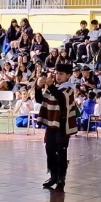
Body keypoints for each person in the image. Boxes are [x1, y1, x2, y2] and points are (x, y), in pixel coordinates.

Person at [36, 62, 77, 191]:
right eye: (57, 73)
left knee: (61, 151)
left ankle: (61, 178)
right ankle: (53, 175)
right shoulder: (54, 87)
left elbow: (61, 99)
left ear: (68, 76)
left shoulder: (69, 89)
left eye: (61, 74)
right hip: (52, 124)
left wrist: (50, 85)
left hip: (62, 126)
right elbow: (40, 100)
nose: (58, 76)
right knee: (49, 150)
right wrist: (39, 87)